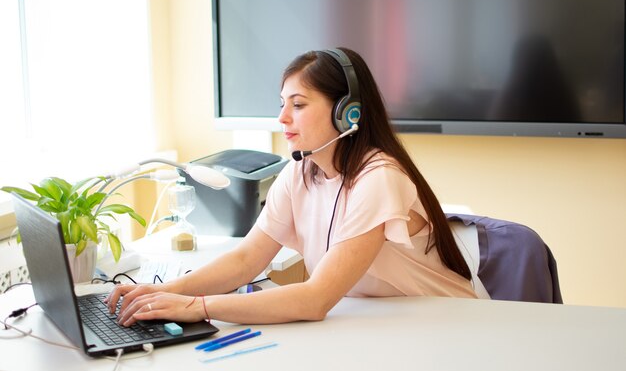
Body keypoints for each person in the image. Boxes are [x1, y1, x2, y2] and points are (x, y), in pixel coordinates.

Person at [106, 47, 476, 326]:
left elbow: (315, 300)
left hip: (445, 326)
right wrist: (159, 292)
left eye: (298, 105)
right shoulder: (302, 171)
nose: (282, 118)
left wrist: (197, 307)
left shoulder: (379, 178)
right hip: (381, 324)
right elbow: (246, 259)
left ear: (347, 112)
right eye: (282, 104)